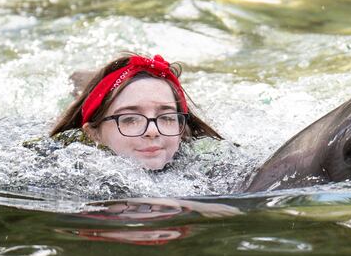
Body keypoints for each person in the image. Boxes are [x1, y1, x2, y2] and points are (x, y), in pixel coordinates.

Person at [50, 53, 222, 170]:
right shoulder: (61, 169)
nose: (152, 131)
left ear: (182, 129)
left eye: (168, 117)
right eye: (130, 119)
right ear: (94, 133)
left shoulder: (211, 169)